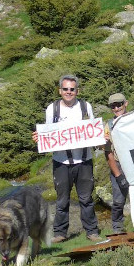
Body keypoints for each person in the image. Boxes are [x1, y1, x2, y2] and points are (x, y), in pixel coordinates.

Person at [32, 75, 101, 243]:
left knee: (86, 198)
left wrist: (100, 135)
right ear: (60, 91)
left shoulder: (86, 106)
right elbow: (49, 133)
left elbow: (92, 130)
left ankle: (92, 231)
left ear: (77, 91)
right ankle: (60, 233)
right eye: (65, 89)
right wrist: (40, 137)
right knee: (62, 199)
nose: (68, 92)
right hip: (61, 162)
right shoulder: (52, 109)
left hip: (84, 160)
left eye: (72, 89)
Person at [104, 92, 130, 234]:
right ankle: (118, 227)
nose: (116, 108)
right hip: (118, 166)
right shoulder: (108, 126)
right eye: (113, 106)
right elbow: (108, 153)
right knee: (119, 200)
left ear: (125, 103)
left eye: (119, 104)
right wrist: (118, 175)